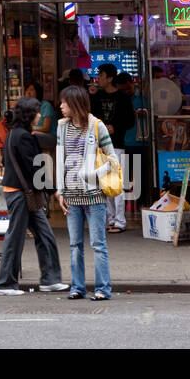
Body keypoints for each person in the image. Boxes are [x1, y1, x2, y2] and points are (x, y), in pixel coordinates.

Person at [0, 97, 66, 295]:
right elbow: (35, 170)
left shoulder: (14, 134)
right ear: (29, 115)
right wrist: (54, 191)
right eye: (36, 112)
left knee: (44, 235)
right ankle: (5, 284)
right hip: (21, 194)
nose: (39, 116)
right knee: (16, 238)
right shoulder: (24, 136)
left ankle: (50, 280)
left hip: (20, 192)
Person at [55, 85, 119, 301]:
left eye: (64, 102)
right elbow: (60, 159)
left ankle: (103, 289)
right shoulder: (61, 127)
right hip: (71, 197)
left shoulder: (97, 126)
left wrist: (94, 174)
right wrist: (60, 190)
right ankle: (78, 287)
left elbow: (114, 159)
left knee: (98, 244)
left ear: (75, 104)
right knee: (75, 245)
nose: (61, 106)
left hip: (94, 197)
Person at [90, 63, 133, 234]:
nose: (98, 78)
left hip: (117, 144)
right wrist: (91, 96)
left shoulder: (123, 98)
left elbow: (130, 121)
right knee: (105, 184)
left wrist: (115, 127)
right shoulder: (97, 96)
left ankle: (120, 221)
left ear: (110, 78)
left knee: (117, 184)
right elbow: (91, 116)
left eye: (101, 75)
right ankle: (111, 219)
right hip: (101, 146)